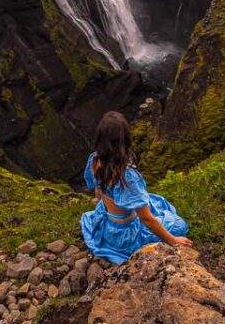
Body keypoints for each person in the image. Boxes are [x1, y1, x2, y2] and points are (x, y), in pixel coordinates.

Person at [80, 110, 193, 264]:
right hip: (124, 236)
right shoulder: (127, 175)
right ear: (125, 139)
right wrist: (173, 240)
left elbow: (98, 192)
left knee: (153, 201)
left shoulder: (95, 160)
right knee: (178, 225)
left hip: (107, 222)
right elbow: (146, 219)